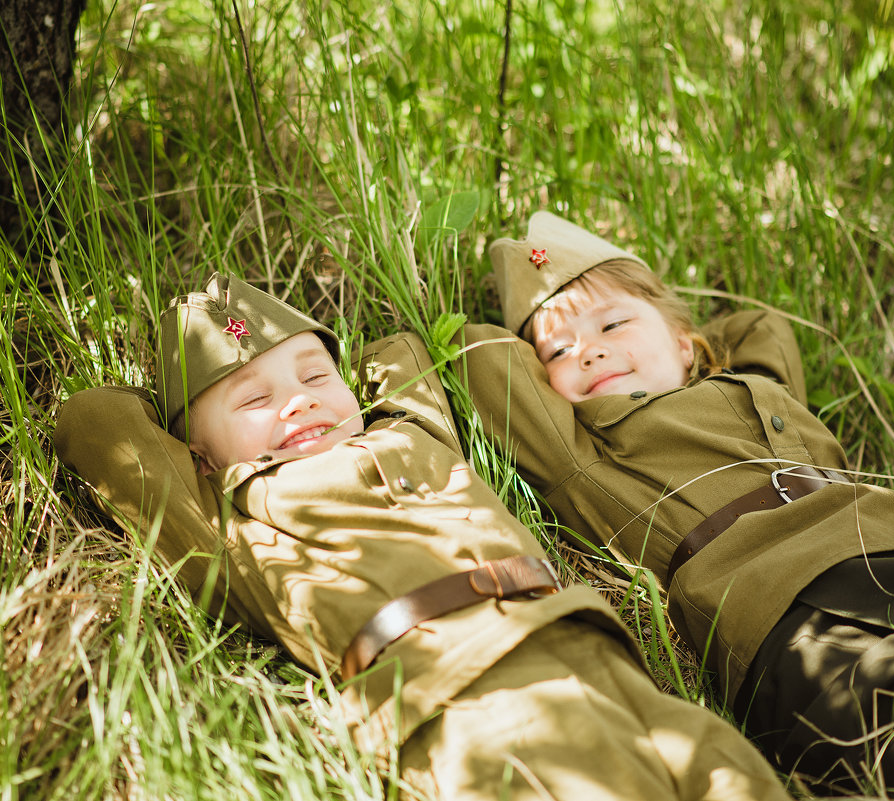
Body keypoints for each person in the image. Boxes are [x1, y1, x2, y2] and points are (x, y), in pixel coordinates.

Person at [53, 271, 798, 801]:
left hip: (586, 641)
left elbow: (402, 352)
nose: (297, 404)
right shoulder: (232, 523)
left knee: (730, 772)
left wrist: (336, 384)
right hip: (460, 695)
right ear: (199, 455)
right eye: (254, 399)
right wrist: (197, 444)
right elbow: (92, 422)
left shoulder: (419, 434)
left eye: (315, 376)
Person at [455, 211, 894, 801]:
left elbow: (759, 325)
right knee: (880, 705)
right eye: (557, 352)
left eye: (614, 324)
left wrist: (683, 346)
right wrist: (542, 299)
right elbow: (483, 356)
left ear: (686, 343)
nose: (588, 350)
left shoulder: (757, 385)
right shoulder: (585, 453)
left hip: (888, 542)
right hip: (766, 597)